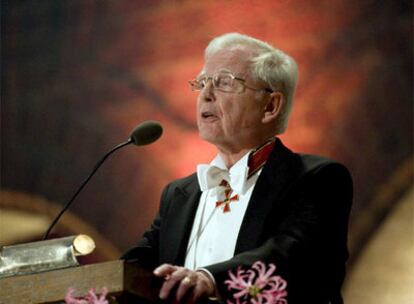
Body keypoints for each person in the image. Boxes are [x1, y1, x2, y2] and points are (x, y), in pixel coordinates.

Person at [122, 33, 353, 304]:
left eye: (224, 82)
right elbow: (136, 267)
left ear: (270, 106)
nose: (205, 95)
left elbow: (289, 256)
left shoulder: (317, 179)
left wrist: (209, 279)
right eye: (203, 82)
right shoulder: (178, 194)